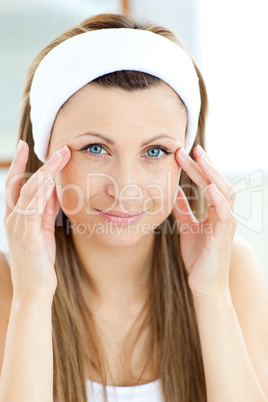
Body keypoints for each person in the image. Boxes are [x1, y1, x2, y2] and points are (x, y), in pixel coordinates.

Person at [0, 11, 267, 402]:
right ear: (44, 154)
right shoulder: (9, 287)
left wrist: (210, 294)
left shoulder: (233, 272)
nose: (125, 190)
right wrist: (33, 297)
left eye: (155, 151)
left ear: (189, 160)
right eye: (95, 148)